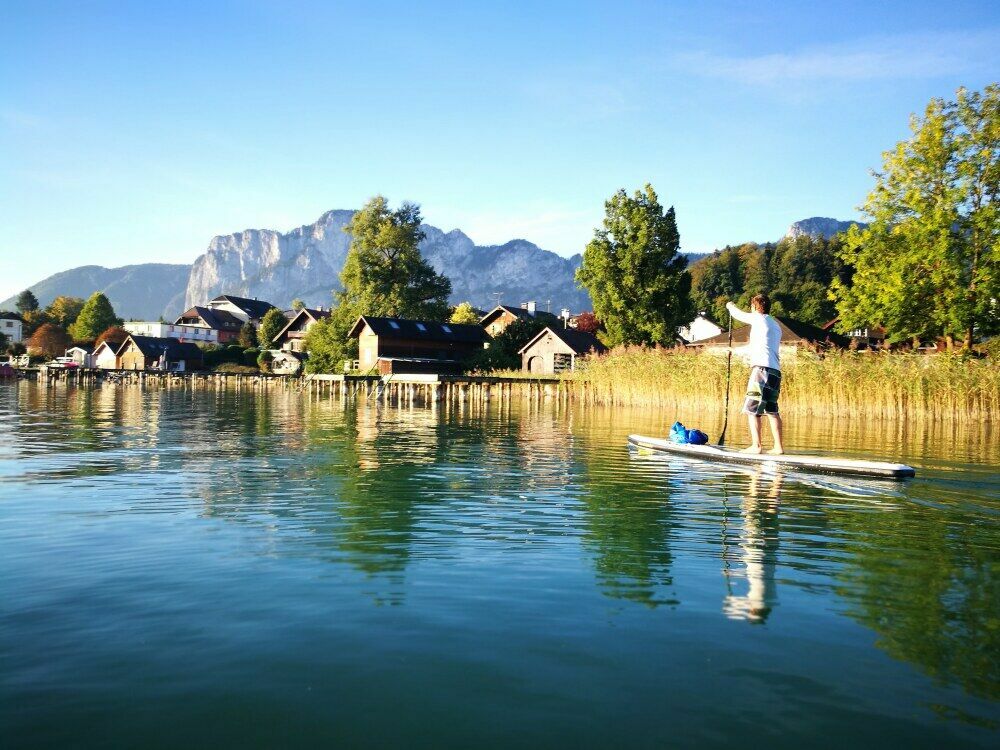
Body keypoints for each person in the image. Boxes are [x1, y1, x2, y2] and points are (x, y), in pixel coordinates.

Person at [726, 294, 784, 455]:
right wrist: (735, 351)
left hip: (761, 370)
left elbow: (737, 314)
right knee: (772, 410)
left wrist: (730, 306)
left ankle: (756, 446)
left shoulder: (758, 318)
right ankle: (778, 448)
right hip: (775, 372)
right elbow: (758, 347)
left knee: (752, 408)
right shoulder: (776, 325)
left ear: (755, 307)